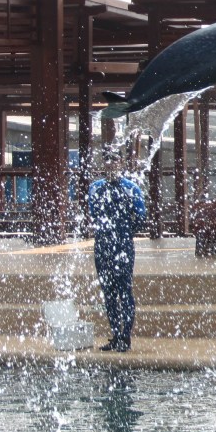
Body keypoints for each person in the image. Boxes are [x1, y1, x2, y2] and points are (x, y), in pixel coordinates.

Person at [88, 148, 147, 353]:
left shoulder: (131, 188)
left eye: (115, 160)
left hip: (123, 245)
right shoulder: (95, 188)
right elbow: (93, 214)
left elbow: (141, 217)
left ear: (121, 163)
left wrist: (124, 232)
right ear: (103, 164)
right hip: (102, 245)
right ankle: (115, 334)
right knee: (108, 292)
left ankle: (126, 336)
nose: (111, 164)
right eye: (107, 160)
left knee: (124, 290)